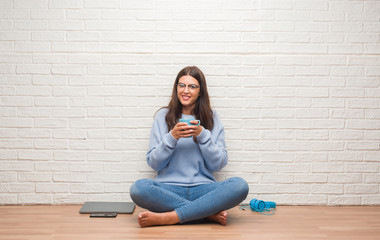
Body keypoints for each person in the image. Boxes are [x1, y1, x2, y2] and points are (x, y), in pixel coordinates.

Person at [130, 66, 249, 228]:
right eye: (181, 85)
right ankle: (205, 213)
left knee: (240, 185)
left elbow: (218, 164)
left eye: (192, 86)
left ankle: (170, 217)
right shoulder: (162, 116)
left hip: (204, 190)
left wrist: (202, 135)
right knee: (138, 188)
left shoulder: (212, 117)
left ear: (200, 91)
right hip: (169, 190)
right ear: (176, 88)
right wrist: (172, 137)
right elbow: (154, 163)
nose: (186, 91)